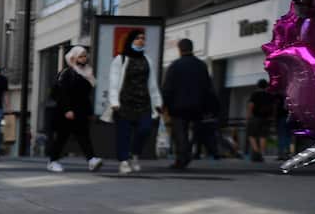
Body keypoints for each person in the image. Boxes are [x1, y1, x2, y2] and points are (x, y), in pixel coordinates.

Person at [106, 29, 162, 174]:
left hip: (144, 103)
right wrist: (114, 101)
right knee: (123, 133)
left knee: (145, 129)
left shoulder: (147, 60)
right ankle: (124, 161)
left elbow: (152, 83)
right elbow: (113, 82)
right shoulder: (120, 59)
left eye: (143, 38)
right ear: (130, 40)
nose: (141, 41)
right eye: (137, 38)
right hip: (124, 103)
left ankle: (134, 154)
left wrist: (157, 103)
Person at [161, 38, 219, 169]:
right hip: (198, 105)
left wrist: (163, 105)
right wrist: (210, 105)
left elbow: (168, 88)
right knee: (195, 130)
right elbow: (208, 86)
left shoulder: (175, 66)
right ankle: (191, 151)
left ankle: (182, 157)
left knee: (180, 131)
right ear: (192, 48)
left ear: (179, 49)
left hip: (178, 106)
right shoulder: (201, 65)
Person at [46, 46, 101, 172]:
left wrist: (89, 112)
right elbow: (59, 93)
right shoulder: (66, 73)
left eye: (84, 56)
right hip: (66, 112)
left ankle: (91, 160)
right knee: (62, 137)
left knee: (84, 136)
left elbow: (85, 95)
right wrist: (67, 109)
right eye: (80, 56)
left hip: (80, 111)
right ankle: (52, 161)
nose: (83, 59)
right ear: (73, 58)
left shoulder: (88, 72)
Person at [247, 79, 275, 162]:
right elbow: (274, 107)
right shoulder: (270, 95)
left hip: (256, 117)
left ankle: (256, 151)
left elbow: (251, 105)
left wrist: (249, 115)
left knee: (251, 135)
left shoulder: (255, 94)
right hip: (267, 118)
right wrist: (272, 117)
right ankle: (262, 153)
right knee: (263, 136)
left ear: (258, 85)